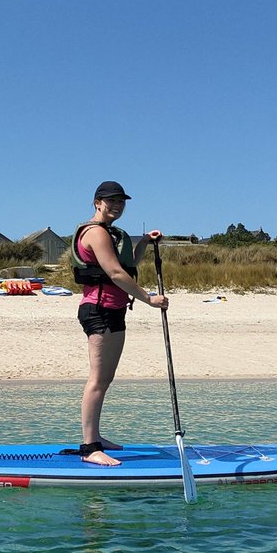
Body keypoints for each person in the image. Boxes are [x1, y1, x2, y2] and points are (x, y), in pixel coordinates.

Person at [72, 180, 168, 466]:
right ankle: (90, 448)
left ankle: (97, 437)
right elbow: (115, 273)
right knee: (97, 380)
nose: (116, 205)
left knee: (105, 379)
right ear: (97, 202)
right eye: (110, 201)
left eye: (121, 202)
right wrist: (149, 299)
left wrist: (145, 242)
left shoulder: (112, 234)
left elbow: (127, 264)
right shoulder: (96, 233)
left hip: (112, 310)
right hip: (99, 310)